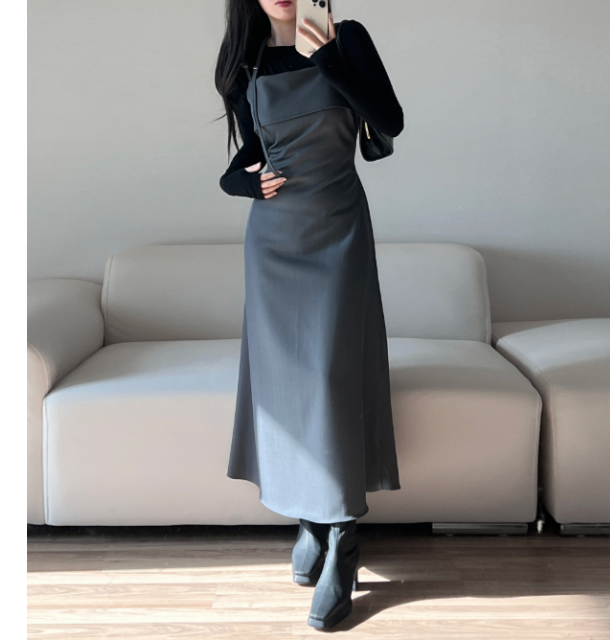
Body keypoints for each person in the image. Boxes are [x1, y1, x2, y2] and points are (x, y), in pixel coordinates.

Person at [214, 0, 404, 629]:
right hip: (273, 241)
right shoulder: (242, 60)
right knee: (287, 386)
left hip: (338, 226)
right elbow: (248, 156)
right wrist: (239, 182)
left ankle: (343, 538)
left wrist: (325, 57)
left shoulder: (347, 38)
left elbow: (390, 120)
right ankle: (310, 519)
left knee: (330, 378)